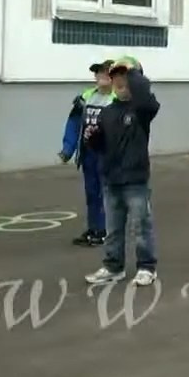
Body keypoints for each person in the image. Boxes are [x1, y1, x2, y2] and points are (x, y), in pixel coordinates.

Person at [82, 60, 160, 285]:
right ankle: (113, 266)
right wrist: (93, 139)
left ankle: (147, 267)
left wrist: (133, 72)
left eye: (125, 81)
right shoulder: (108, 112)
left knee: (140, 226)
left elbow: (146, 96)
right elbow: (101, 146)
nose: (120, 84)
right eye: (116, 80)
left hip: (135, 180)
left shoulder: (142, 110)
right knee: (113, 229)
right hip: (111, 179)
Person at [59, 60, 116, 247]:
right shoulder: (87, 96)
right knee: (92, 193)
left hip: (107, 154)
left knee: (105, 193)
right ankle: (94, 228)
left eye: (104, 73)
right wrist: (68, 149)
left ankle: (106, 230)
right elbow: (74, 122)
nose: (99, 77)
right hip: (88, 153)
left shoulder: (118, 99)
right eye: (97, 73)